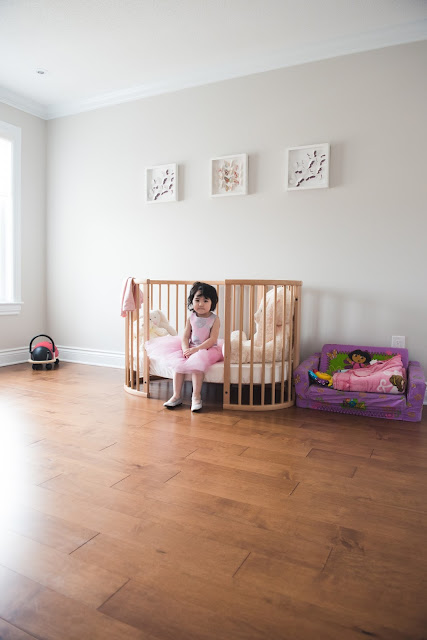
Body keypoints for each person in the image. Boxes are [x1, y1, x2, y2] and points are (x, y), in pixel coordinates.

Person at [144, 282, 223, 412]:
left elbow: (213, 339)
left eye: (205, 300)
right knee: (178, 365)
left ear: (212, 303)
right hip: (190, 347)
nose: (201, 304)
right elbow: (185, 337)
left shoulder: (214, 319)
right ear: (192, 301)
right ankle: (176, 396)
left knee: (197, 365)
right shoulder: (191, 317)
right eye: (197, 300)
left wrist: (196, 350)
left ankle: (196, 396)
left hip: (206, 349)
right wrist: (186, 349)